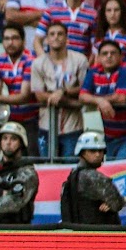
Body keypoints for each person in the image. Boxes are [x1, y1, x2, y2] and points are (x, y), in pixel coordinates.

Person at [0, 23, 39, 156]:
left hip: (34, 118)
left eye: (15, 38)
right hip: (13, 116)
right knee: (10, 155)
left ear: (23, 41)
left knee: (32, 157)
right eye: (6, 39)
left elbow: (24, 96)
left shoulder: (31, 60)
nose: (10, 42)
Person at [30, 21, 87, 158]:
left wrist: (63, 92)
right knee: (47, 169)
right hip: (46, 126)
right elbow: (38, 94)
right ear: (47, 39)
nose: (56, 37)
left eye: (60, 34)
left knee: (71, 168)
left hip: (72, 126)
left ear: (67, 38)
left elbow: (84, 90)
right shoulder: (38, 63)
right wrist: (64, 99)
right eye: (52, 34)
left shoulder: (80, 60)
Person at [79, 40, 126, 160]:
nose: (109, 56)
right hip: (108, 135)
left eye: (113, 53)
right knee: (111, 171)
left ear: (121, 56)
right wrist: (100, 101)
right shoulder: (94, 70)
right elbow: (82, 95)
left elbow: (121, 98)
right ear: (99, 57)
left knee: (122, 169)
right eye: (104, 54)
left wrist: (97, 99)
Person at [60, 131, 124, 225]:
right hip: (99, 234)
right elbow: (117, 203)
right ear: (82, 153)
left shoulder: (73, 176)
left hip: (77, 234)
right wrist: (112, 203)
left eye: (100, 151)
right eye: (92, 151)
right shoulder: (94, 177)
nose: (98, 154)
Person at [33, 0, 98, 56]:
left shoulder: (92, 14)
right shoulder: (51, 10)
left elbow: (95, 46)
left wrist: (87, 65)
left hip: (80, 63)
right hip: (54, 63)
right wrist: (46, 62)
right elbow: (37, 40)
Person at [92, 0, 126, 65]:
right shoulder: (100, 34)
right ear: (104, 13)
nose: (113, 14)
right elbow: (96, 63)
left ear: (122, 12)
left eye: (116, 10)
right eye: (109, 10)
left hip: (124, 73)